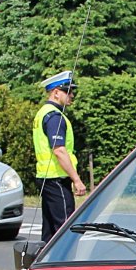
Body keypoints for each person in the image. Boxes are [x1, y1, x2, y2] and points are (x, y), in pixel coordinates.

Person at [32, 71, 87, 242]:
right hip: (56, 178)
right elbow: (59, 151)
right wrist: (76, 180)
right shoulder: (55, 117)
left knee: (49, 231)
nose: (71, 95)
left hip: (46, 177)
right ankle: (65, 265)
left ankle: (44, 264)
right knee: (65, 230)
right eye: (68, 91)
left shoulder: (43, 112)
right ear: (56, 92)